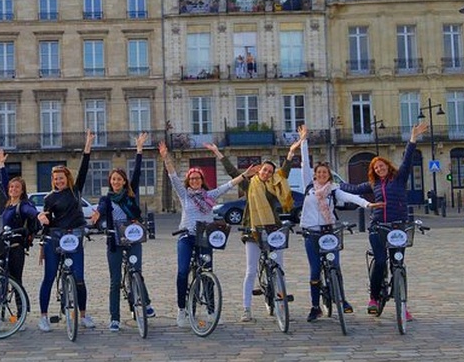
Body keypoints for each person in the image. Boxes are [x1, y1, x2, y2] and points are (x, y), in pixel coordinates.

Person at [204, 138, 301, 322]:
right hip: (253, 229)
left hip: (273, 229)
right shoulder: (249, 184)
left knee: (279, 267)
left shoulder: (275, 186)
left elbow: (285, 171)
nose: (267, 173)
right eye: (265, 170)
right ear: (259, 170)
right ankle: (246, 309)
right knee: (250, 271)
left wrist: (292, 150)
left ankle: (281, 301)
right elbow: (232, 172)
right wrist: (218, 153)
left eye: (270, 171)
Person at [161, 141, 254, 328]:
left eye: (198, 178)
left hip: (204, 238)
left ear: (202, 181)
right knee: (182, 272)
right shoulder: (184, 195)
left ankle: (211, 309)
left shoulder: (210, 195)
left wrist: (244, 175)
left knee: (207, 272)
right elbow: (172, 176)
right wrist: (165, 157)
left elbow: (228, 185)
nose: (195, 181)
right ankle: (182, 309)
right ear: (189, 181)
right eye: (192, 178)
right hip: (186, 236)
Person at [340, 121, 427, 321]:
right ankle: (373, 298)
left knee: (398, 263)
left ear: (387, 166)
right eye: (376, 168)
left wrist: (413, 138)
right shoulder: (373, 184)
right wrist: (333, 184)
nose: (379, 169)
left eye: (381, 166)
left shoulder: (400, 178)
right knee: (380, 261)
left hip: (398, 227)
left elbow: (407, 160)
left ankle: (402, 306)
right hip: (378, 228)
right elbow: (352, 189)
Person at [296, 125, 382, 322]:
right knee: (315, 270)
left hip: (329, 232)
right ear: (315, 174)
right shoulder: (308, 185)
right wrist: (304, 141)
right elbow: (304, 163)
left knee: (335, 265)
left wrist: (369, 204)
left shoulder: (334, 189)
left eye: (325, 172)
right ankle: (315, 306)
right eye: (319, 172)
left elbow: (352, 197)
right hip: (311, 233)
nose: (322, 175)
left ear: (329, 175)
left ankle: (342, 300)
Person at [90, 132, 155, 332]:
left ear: (124, 182)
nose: (116, 182)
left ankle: (145, 303)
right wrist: (96, 216)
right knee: (115, 280)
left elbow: (136, 172)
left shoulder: (130, 193)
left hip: (133, 238)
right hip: (114, 241)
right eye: (113, 180)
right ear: (110, 182)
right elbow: (100, 209)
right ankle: (115, 318)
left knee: (136, 271)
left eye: (119, 179)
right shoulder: (107, 199)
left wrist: (139, 150)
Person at [36, 129, 96, 332]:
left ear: (67, 178)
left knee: (79, 277)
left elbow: (85, 167)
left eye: (61, 178)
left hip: (75, 236)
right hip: (55, 238)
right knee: (50, 277)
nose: (58, 181)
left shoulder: (75, 190)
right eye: (56, 179)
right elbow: (46, 220)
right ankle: (43, 316)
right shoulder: (49, 198)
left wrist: (87, 145)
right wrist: (42, 218)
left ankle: (83, 314)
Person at [0, 148, 41, 317]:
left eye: (17, 187)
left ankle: (21, 313)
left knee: (15, 281)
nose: (13, 189)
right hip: (3, 245)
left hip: (16, 247)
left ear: (22, 190)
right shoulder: (8, 202)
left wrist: (39, 215)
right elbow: (3, 182)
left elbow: (31, 212)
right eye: (12, 187)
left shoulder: (23, 204)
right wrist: (1, 164)